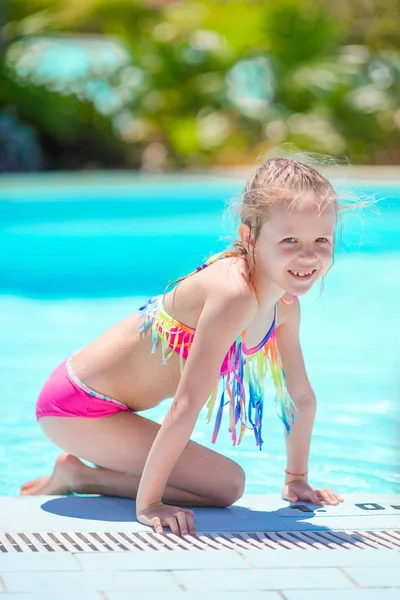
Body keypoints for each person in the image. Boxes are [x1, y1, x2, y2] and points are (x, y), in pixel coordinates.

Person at [21, 156, 345, 537]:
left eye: (321, 239)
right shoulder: (234, 294)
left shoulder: (285, 307)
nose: (308, 255)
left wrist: (296, 480)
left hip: (115, 410)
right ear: (249, 236)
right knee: (229, 484)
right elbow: (186, 405)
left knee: (226, 487)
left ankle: (76, 473)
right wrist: (150, 505)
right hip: (75, 406)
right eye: (289, 239)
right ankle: (85, 477)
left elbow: (300, 397)